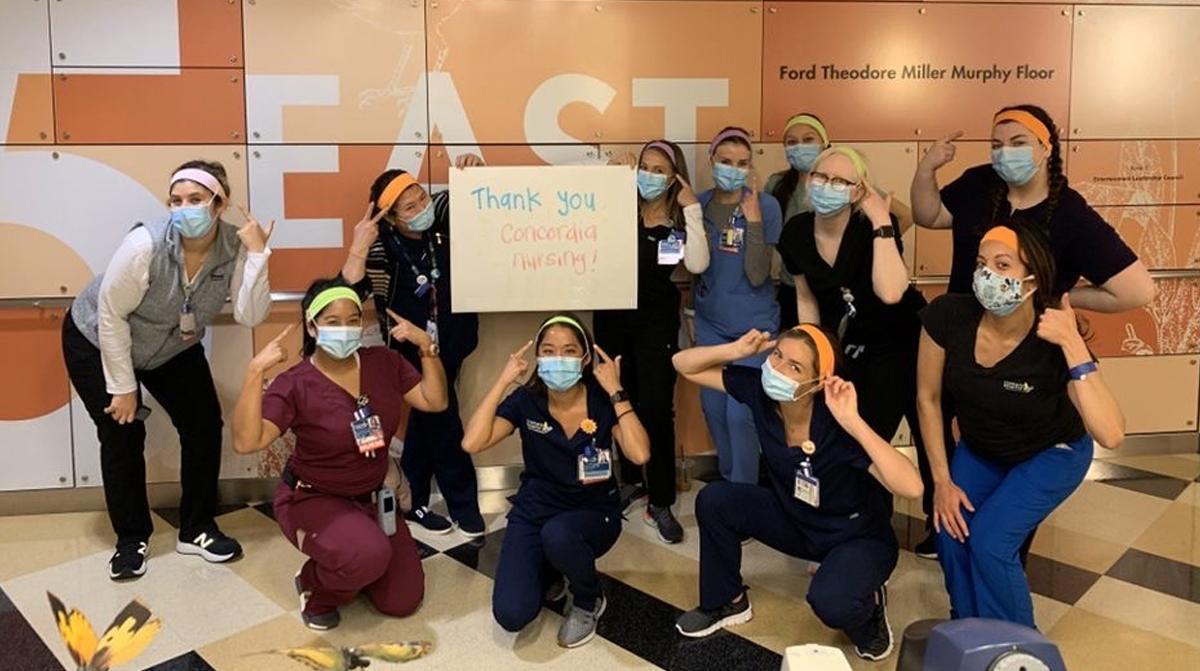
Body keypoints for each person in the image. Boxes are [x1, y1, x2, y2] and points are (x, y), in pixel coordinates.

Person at [908, 103, 1152, 557]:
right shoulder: (981, 184)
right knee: (947, 429)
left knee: (1013, 457)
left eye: (1018, 143)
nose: (1005, 154)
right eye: (997, 144)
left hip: (1027, 357)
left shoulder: (1070, 214)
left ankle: (1005, 544)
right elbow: (930, 215)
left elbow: (1137, 290)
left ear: (1046, 148)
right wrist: (928, 168)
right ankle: (944, 520)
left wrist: (1062, 299)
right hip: (965, 341)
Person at [62, 160, 273, 581]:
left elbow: (251, 314)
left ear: (220, 203)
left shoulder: (233, 246)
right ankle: (131, 539)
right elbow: (110, 312)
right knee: (122, 431)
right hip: (97, 337)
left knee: (202, 424)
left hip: (173, 343)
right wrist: (122, 386)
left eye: (196, 200)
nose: (184, 209)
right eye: (176, 200)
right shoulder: (145, 245)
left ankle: (196, 528)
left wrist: (257, 255)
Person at [672, 325, 922, 662]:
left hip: (856, 537)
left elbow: (911, 486)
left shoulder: (837, 424)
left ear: (819, 382)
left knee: (831, 602)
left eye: (795, 367)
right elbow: (683, 364)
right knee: (715, 500)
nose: (777, 369)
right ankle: (727, 601)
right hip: (797, 520)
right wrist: (736, 351)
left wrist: (853, 422)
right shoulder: (761, 392)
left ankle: (871, 610)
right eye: (777, 356)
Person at [916, 224, 1125, 627]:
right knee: (950, 532)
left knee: (990, 544)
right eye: (981, 264)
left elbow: (1111, 433)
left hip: (1051, 453)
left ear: (1032, 279)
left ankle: (1017, 650)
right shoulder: (949, 316)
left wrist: (1071, 345)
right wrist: (942, 481)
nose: (987, 275)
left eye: (1002, 264)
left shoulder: (1053, 334)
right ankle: (969, 630)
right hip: (982, 449)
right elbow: (928, 398)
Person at [232, 278, 448, 630]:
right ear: (312, 327)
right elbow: (247, 442)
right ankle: (317, 586)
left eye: (353, 320)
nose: (346, 330)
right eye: (333, 322)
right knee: (368, 555)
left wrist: (427, 349)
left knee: (402, 601)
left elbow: (434, 401)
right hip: (313, 497)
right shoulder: (295, 383)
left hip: (374, 498)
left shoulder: (384, 362)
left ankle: (353, 559)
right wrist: (255, 372)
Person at [461, 314, 650, 648]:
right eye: (548, 351)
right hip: (536, 509)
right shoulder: (526, 401)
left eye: (568, 351)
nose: (557, 360)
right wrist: (503, 380)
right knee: (511, 613)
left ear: (586, 358)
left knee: (559, 535)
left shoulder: (603, 400)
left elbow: (639, 455)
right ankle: (551, 569)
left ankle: (588, 598)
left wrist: (617, 390)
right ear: (538, 358)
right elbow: (472, 443)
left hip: (593, 513)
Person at [776, 145, 934, 521]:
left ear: (858, 189)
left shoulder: (873, 227)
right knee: (844, 434)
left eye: (839, 180)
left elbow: (891, 292)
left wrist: (881, 220)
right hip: (844, 345)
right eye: (820, 177)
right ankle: (851, 525)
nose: (826, 186)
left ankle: (924, 525)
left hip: (897, 342)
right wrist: (812, 352)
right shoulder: (796, 232)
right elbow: (806, 296)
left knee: (887, 434)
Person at [341, 157, 486, 537]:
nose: (421, 208)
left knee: (428, 417)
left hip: (454, 342)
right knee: (442, 415)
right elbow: (351, 293)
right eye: (409, 207)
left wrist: (473, 171)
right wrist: (359, 245)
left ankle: (413, 497)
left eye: (421, 197)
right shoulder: (381, 249)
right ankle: (461, 503)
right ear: (390, 218)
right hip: (412, 350)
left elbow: (478, 199)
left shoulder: (440, 220)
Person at [597, 139, 706, 543]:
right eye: (646, 166)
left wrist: (692, 209)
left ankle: (659, 499)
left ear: (675, 177)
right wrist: (613, 173)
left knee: (657, 411)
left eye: (661, 170)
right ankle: (628, 481)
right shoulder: (618, 209)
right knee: (617, 401)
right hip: (611, 322)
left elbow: (696, 264)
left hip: (655, 325)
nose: (650, 175)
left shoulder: (677, 225)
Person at [693, 126, 784, 484]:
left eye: (742, 163)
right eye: (726, 161)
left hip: (754, 327)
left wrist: (755, 221)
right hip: (711, 324)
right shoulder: (698, 206)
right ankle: (731, 482)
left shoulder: (767, 206)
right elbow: (696, 269)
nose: (733, 168)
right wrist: (690, 313)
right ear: (712, 161)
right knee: (713, 408)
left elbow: (760, 274)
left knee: (739, 413)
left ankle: (743, 493)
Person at [767, 113, 830, 330]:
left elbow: (903, 215)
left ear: (824, 142)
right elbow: (771, 232)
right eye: (792, 142)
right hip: (791, 289)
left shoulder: (841, 183)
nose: (800, 147)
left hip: (829, 289)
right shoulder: (776, 184)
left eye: (808, 139)